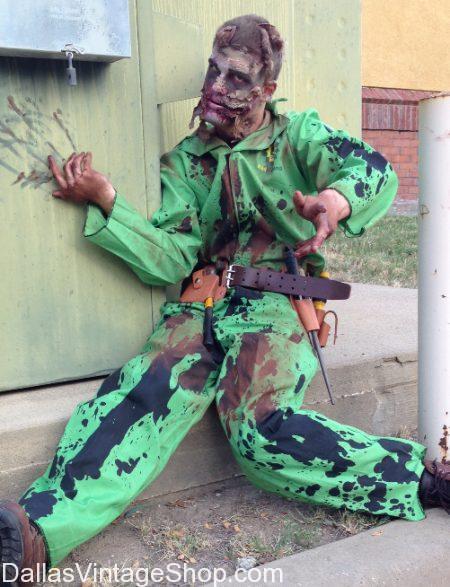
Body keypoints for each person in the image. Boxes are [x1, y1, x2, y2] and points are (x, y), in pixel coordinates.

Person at [1, 14, 448, 585]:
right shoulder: (186, 160)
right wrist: (109, 201)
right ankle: (34, 535)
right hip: (201, 306)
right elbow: (171, 258)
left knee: (259, 429)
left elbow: (374, 168)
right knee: (142, 393)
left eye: (236, 78)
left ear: (265, 90)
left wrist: (335, 201)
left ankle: (420, 482)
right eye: (213, 70)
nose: (216, 86)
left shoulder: (298, 137)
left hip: (278, 306)